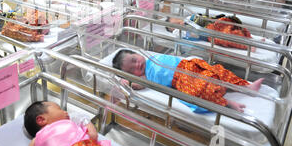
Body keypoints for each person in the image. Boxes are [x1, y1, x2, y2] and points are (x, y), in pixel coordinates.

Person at [112, 49, 264, 113]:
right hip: (181, 80)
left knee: (218, 71)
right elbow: (136, 85)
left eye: (134, 60)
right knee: (198, 92)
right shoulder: (144, 78)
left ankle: (245, 87)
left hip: (187, 65)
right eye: (132, 70)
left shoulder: (152, 57)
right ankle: (228, 104)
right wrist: (128, 81)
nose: (137, 65)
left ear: (136, 53)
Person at [23, 101, 141, 146]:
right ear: (41, 119)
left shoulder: (71, 125)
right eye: (59, 109)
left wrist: (85, 121)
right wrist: (86, 122)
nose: (65, 112)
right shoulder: (36, 140)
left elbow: (93, 137)